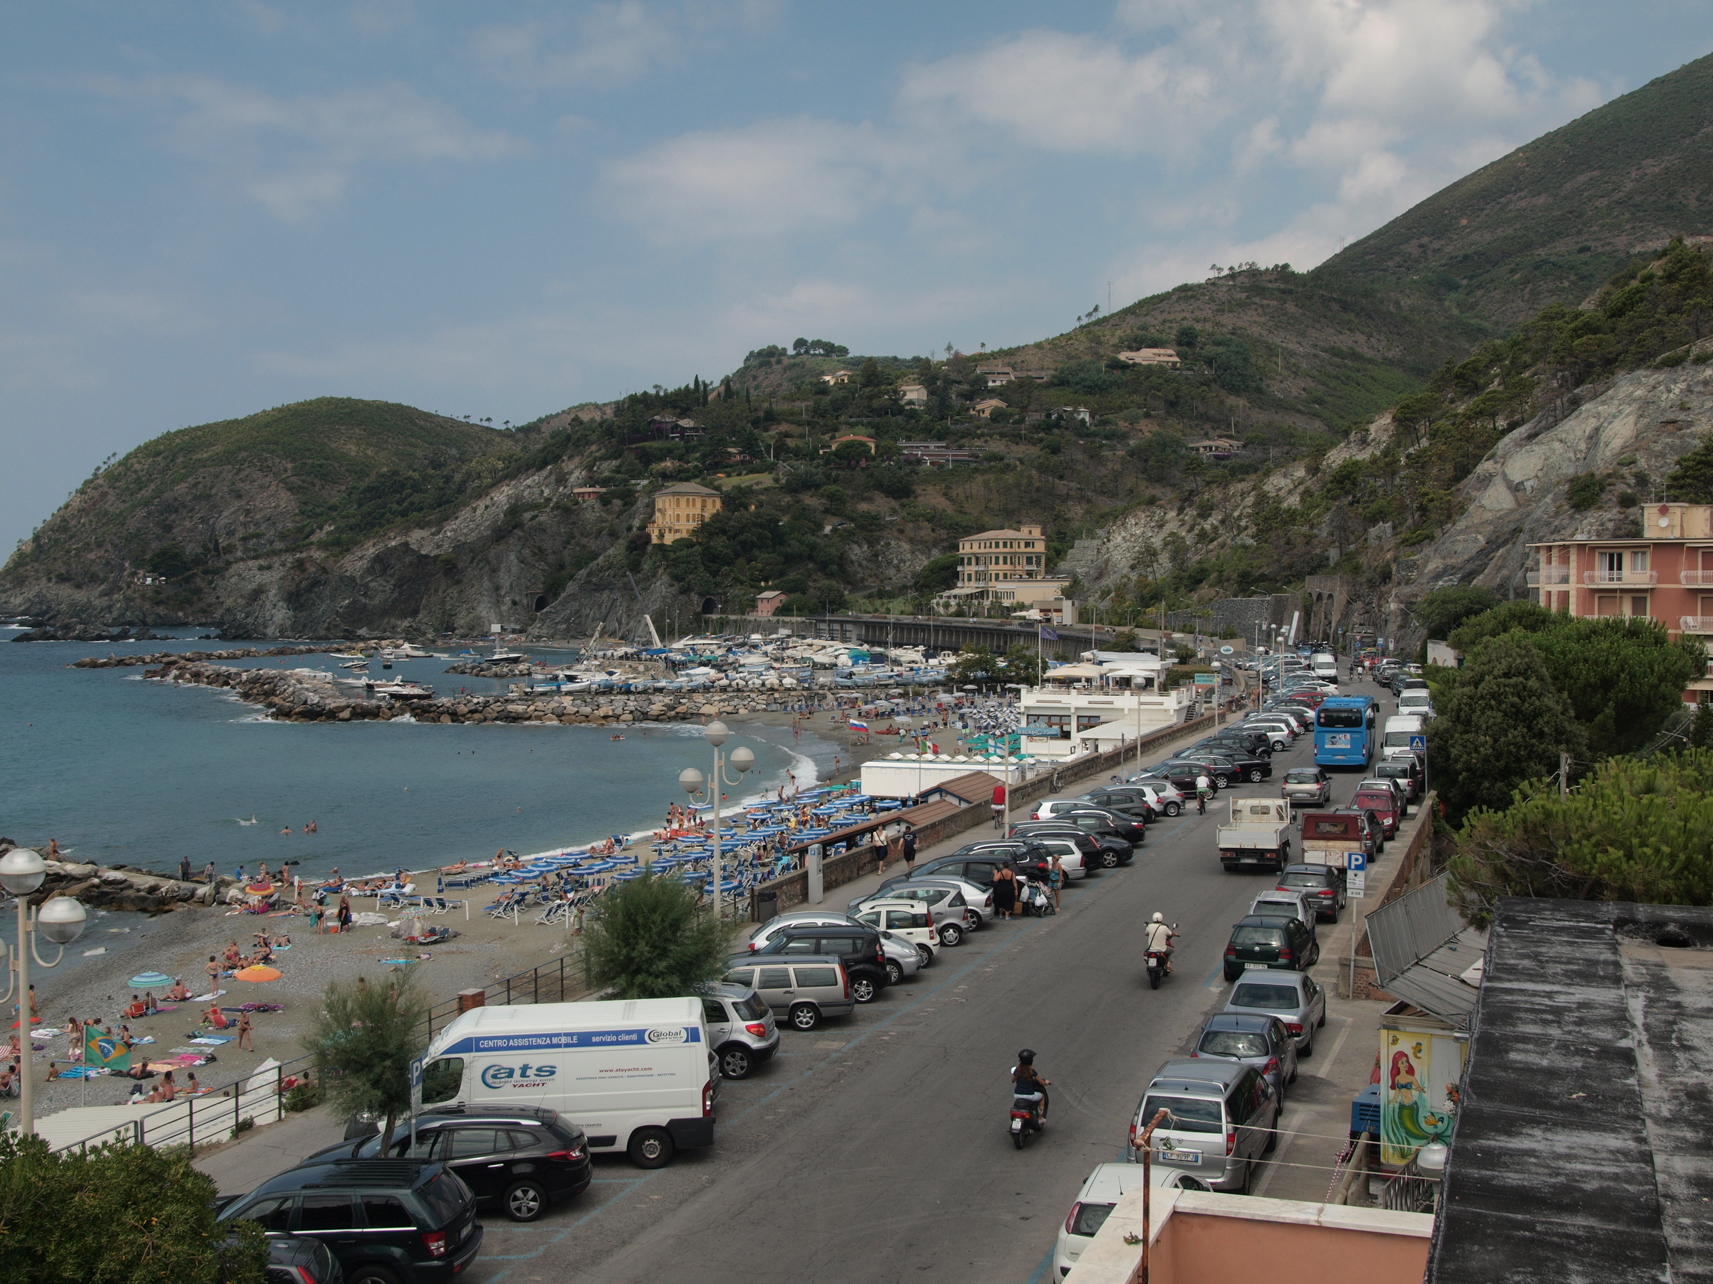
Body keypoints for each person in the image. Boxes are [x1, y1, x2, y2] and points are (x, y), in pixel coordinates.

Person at [1012, 1048, 1050, 1119]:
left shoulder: (1017, 1070)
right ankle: (1040, 1117)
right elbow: (1042, 1082)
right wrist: (1046, 1082)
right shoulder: (1032, 1071)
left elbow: (1012, 1081)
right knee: (1042, 1096)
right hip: (1029, 1095)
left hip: (1017, 1095)